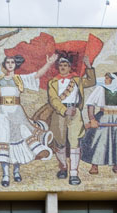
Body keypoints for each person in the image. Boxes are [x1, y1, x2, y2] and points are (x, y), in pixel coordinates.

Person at [0, 43, 57, 187]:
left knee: (20, 140)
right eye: (8, 62)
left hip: (17, 112)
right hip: (3, 113)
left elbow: (37, 74)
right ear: (5, 64)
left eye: (12, 62)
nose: (10, 64)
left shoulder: (20, 79)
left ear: (15, 65)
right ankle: (5, 174)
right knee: (4, 140)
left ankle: (16, 171)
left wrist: (48, 64)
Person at [47, 55, 96, 185]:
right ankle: (63, 167)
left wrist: (89, 66)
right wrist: (64, 110)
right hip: (60, 113)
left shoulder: (77, 80)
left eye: (65, 65)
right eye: (61, 65)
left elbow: (91, 81)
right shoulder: (53, 82)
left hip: (75, 112)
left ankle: (74, 173)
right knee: (60, 142)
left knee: (75, 142)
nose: (63, 68)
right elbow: (53, 99)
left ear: (69, 67)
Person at [81, 72, 117, 176]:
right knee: (99, 141)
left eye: (108, 78)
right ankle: (94, 166)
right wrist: (92, 119)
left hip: (116, 119)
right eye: (105, 78)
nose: (105, 80)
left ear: (113, 80)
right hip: (103, 118)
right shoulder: (100, 89)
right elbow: (91, 105)